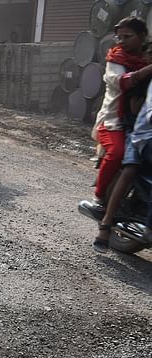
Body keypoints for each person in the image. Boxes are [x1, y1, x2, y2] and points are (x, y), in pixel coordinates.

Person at [85, 17, 152, 251]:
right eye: (119, 37)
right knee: (119, 155)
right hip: (115, 122)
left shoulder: (146, 56)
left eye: (127, 37)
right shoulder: (115, 59)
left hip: (141, 122)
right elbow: (122, 83)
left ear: (143, 36)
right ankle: (100, 200)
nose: (121, 42)